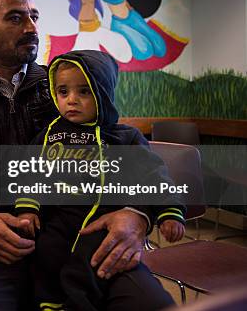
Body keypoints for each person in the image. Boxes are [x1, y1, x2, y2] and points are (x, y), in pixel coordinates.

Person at [0, 0, 176, 311]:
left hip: (80, 237)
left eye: (34, 17)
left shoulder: (70, 90)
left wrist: (136, 214)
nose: (32, 28)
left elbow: (127, 159)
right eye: (15, 18)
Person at [15, 49, 184, 310]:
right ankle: (48, 302)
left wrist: (169, 211)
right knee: (46, 252)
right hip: (58, 217)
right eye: (63, 91)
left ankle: (77, 304)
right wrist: (27, 207)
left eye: (84, 91)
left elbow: (153, 174)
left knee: (90, 262)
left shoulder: (124, 137)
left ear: (103, 93)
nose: (71, 100)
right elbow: (30, 169)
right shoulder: (49, 135)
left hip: (103, 221)